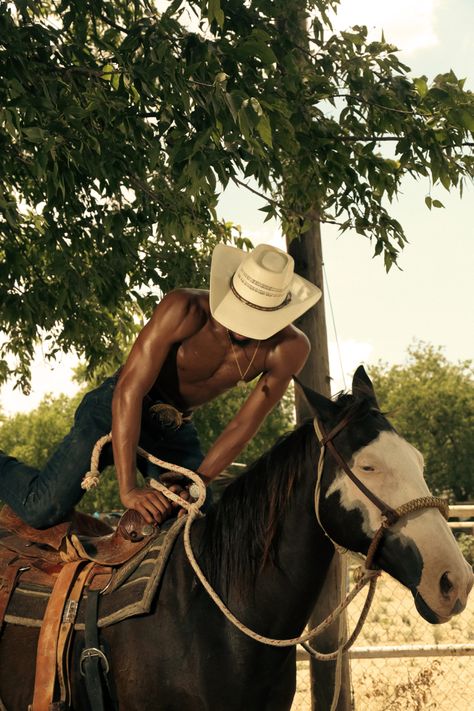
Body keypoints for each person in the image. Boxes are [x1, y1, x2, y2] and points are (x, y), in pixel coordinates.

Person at [0, 243, 321, 529]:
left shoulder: (289, 349)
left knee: (197, 519)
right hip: (115, 407)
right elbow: (129, 390)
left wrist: (198, 484)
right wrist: (128, 490)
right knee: (43, 509)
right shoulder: (184, 308)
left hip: (173, 427)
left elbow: (242, 425)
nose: (241, 327)